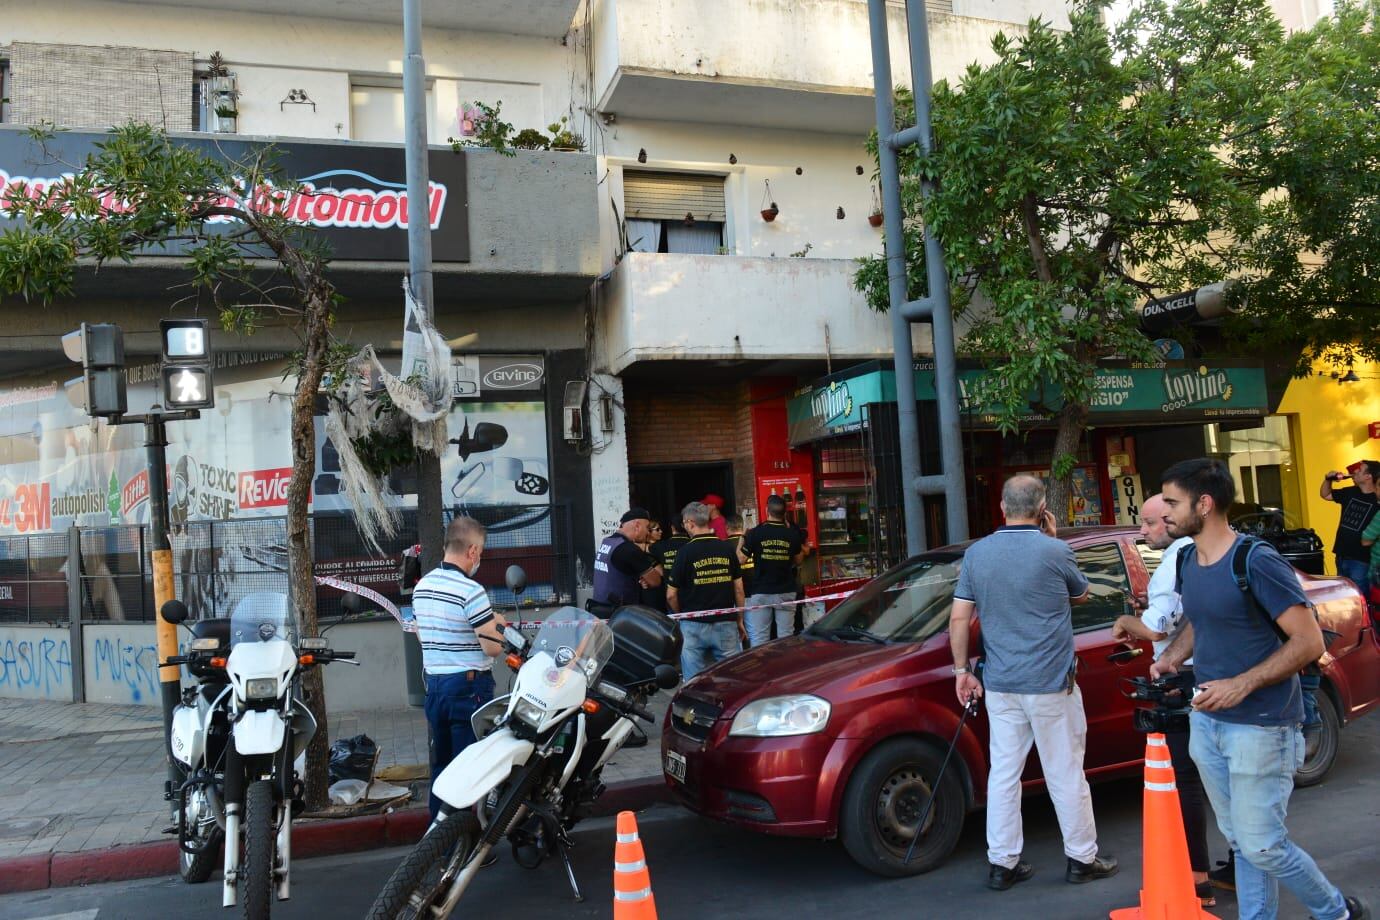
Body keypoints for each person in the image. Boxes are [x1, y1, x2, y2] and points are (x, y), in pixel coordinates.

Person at [1152, 458, 1369, 920]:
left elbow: (1308, 641)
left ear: (1204, 504)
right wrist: (1173, 656)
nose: (1164, 511)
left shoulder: (1256, 560)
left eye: (1172, 502)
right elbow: (1201, 617)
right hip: (1207, 722)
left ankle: (1336, 912)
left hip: (1263, 725)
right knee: (1243, 841)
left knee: (1263, 844)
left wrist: (1240, 684)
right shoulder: (1188, 558)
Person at [949, 474, 1118, 891]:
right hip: (1051, 684)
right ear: (1043, 511)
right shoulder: (1055, 551)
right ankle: (1082, 857)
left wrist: (961, 671)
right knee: (1064, 772)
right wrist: (1053, 538)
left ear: (1002, 508)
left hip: (1002, 684)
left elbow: (958, 617)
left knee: (1004, 774)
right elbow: (1080, 595)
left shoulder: (977, 554)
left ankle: (1002, 864)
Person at [1110, 494, 1215, 906]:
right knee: (1220, 777)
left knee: (1184, 777)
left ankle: (1197, 878)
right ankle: (1233, 867)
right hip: (1208, 671)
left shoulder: (1177, 557)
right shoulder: (1205, 551)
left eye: (1150, 523)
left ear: (1171, 520)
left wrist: (1125, 620)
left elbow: (1156, 629)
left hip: (1185, 675)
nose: (1143, 530)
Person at [412, 516, 505, 820]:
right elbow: (492, 646)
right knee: (466, 768)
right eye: (481, 552)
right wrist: (500, 624)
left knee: (442, 766)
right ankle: (461, 844)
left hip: (436, 688)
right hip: (468, 689)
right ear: (473, 551)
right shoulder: (471, 591)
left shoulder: (422, 587)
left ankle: (436, 838)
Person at [667, 501, 745, 680]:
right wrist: (739, 619)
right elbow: (739, 589)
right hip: (726, 622)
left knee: (694, 683)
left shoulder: (684, 552)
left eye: (685, 524)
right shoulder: (727, 548)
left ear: (690, 523)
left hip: (693, 624)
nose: (685, 527)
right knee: (732, 679)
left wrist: (682, 616)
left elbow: (671, 594)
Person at [739, 494, 807, 647]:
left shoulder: (755, 533)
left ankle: (762, 670)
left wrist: (743, 537)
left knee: (759, 640)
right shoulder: (792, 534)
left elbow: (740, 559)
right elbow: (798, 560)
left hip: (761, 591)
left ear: (766, 510)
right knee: (786, 639)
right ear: (785, 513)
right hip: (786, 591)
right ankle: (785, 669)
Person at [1319, 460, 1378, 596]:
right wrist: (1328, 480)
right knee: (1345, 599)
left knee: (1361, 598)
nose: (1355, 471)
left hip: (1361, 560)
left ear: (1368, 476)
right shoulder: (1351, 491)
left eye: (1360, 469)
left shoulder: (1377, 499)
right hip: (1341, 554)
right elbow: (1325, 495)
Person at [591, 508, 663, 611]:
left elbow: (618, 570)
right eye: (647, 527)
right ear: (637, 526)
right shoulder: (629, 550)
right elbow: (655, 581)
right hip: (620, 615)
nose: (648, 532)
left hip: (600, 610)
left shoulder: (607, 542)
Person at [647, 519, 691, 613]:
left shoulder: (661, 546)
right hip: (660, 592)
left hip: (670, 592)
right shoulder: (650, 549)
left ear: (672, 528)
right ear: (648, 532)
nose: (661, 531)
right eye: (657, 529)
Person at [725, 515, 755, 598]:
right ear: (742, 526)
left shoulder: (723, 546)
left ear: (727, 527)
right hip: (755, 593)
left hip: (735, 595)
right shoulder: (752, 541)